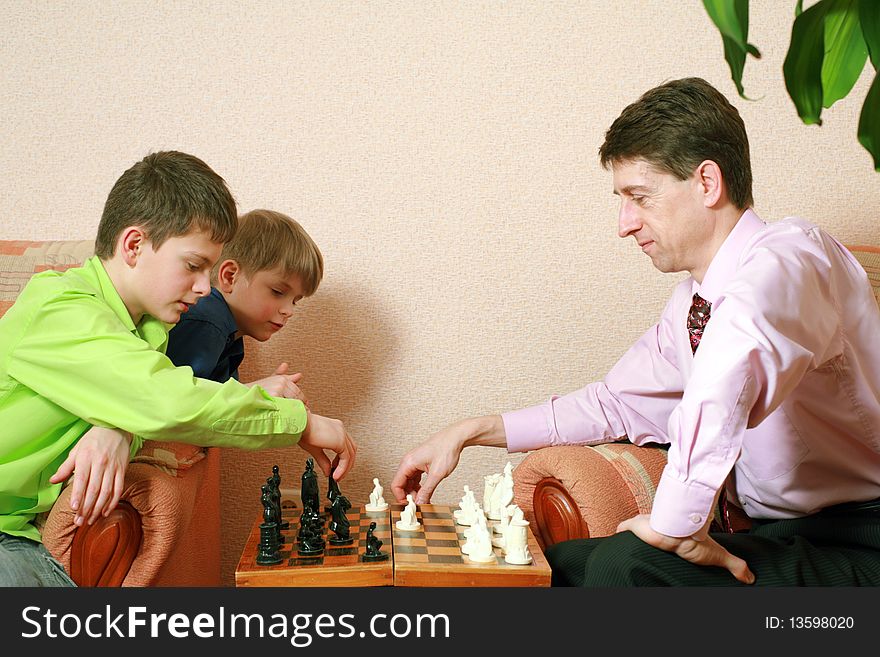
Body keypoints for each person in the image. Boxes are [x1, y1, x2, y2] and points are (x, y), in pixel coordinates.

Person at [392, 78, 880, 586]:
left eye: (639, 197)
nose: (625, 224)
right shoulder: (690, 308)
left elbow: (736, 355)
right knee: (556, 565)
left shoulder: (796, 258)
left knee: (623, 567)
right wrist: (469, 432)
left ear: (707, 183)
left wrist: (678, 521)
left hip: (859, 535)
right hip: (778, 536)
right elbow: (614, 404)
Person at [0, 151, 356, 586]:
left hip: (14, 527)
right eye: (193, 265)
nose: (205, 287)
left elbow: (151, 393)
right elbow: (166, 399)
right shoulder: (62, 308)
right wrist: (299, 424)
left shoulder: (147, 331)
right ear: (133, 246)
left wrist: (119, 426)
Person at [165, 208, 323, 403]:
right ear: (230, 276)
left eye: (295, 301)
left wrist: (263, 396)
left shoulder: (230, 334)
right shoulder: (208, 321)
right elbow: (179, 403)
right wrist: (251, 395)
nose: (288, 311)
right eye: (278, 292)